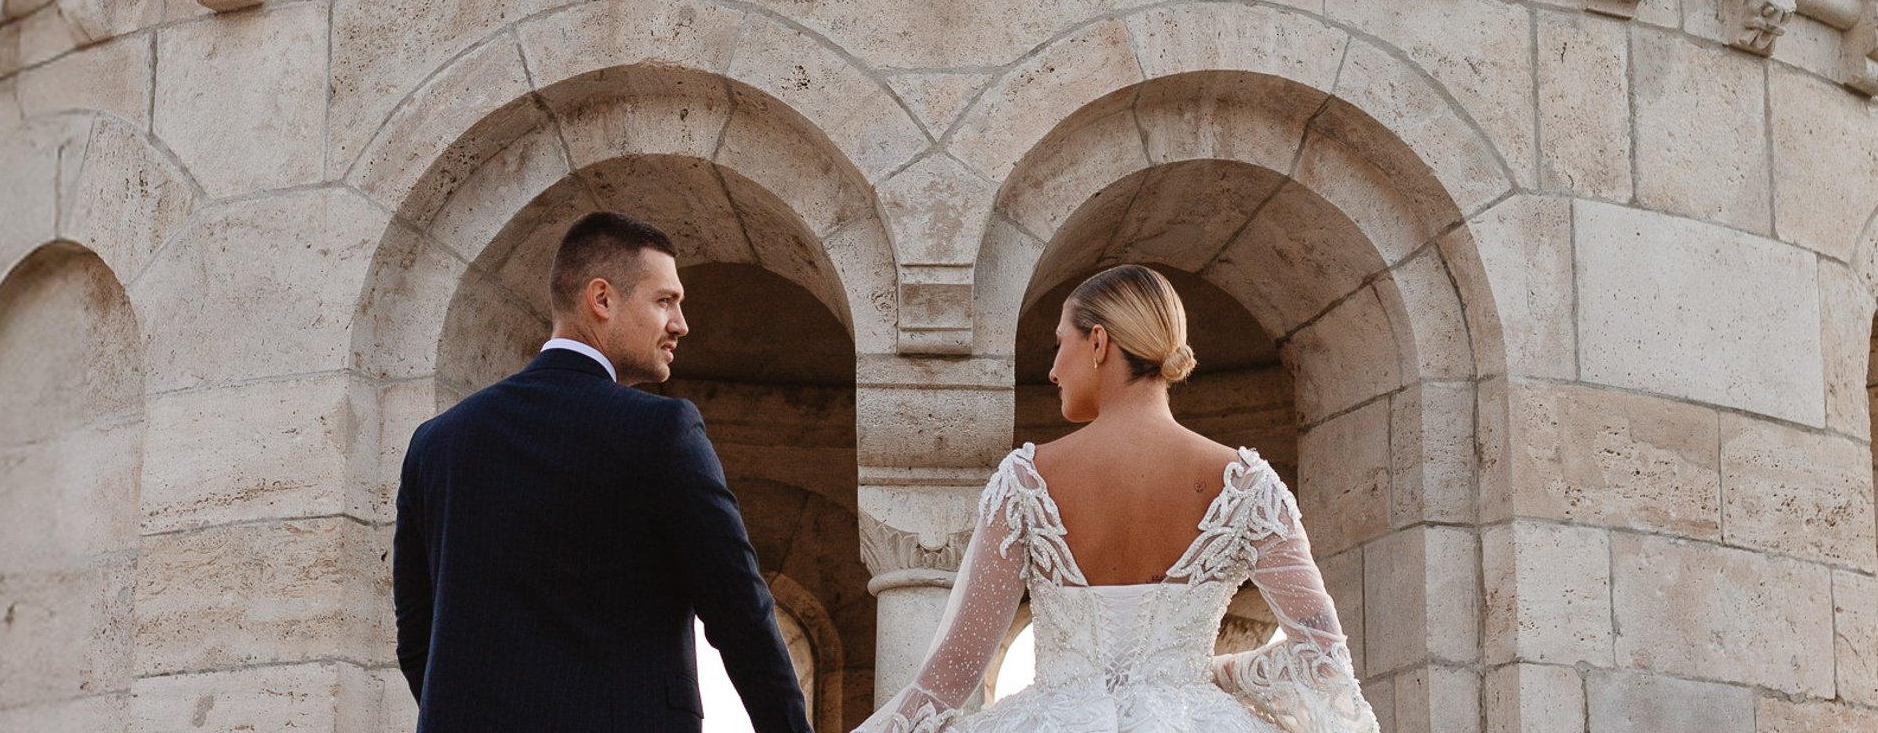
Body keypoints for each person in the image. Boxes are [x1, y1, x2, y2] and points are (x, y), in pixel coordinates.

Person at [853, 265, 1380, 733]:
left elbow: (951, 677)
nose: (1054, 369)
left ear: (1099, 342)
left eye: (1061, 343)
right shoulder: (1248, 485)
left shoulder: (1025, 481)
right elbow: (1322, 656)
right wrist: (1209, 673)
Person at [393, 208, 813, 733]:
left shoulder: (437, 443)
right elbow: (741, 615)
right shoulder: (662, 431)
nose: (681, 324)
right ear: (602, 299)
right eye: (665, 301)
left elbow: (417, 641)